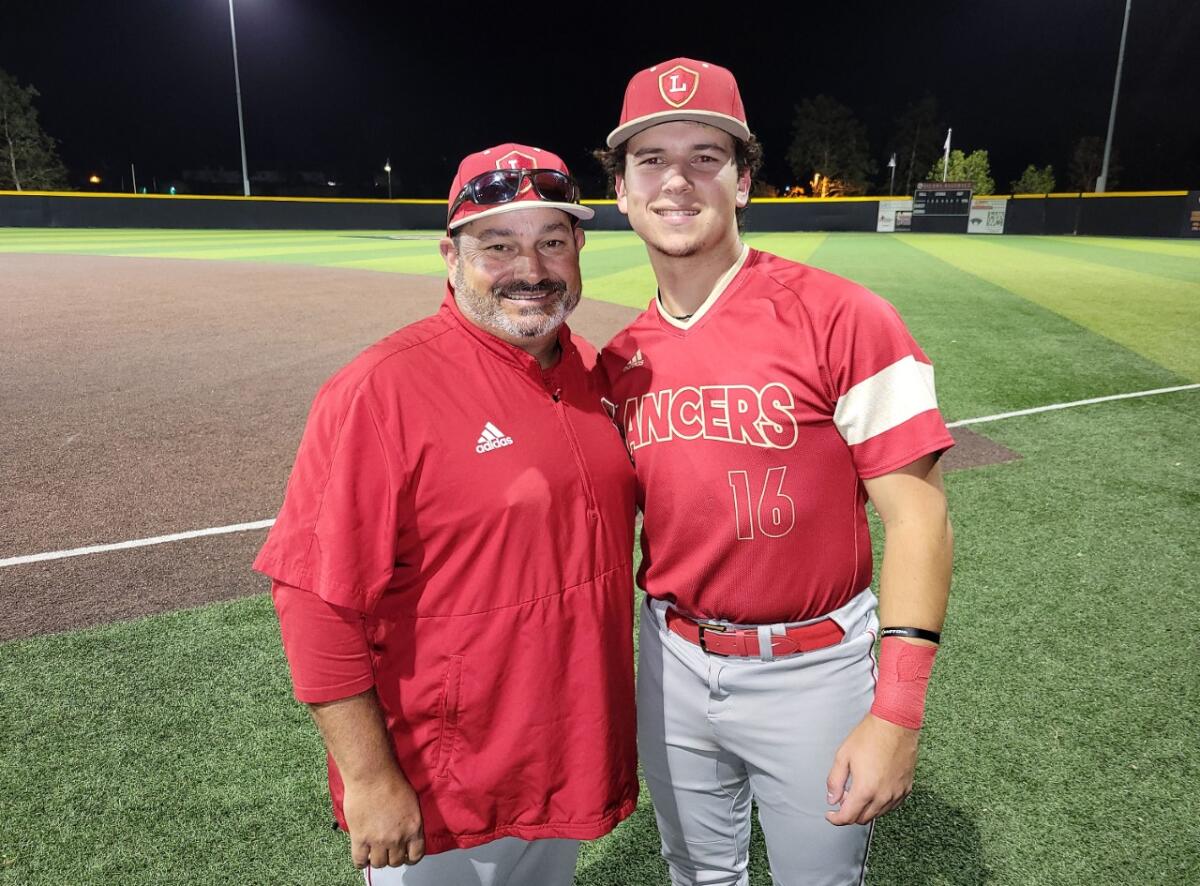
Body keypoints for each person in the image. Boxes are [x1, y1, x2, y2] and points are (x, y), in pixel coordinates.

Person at [596, 58, 955, 886]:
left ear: (744, 179)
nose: (675, 181)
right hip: (673, 661)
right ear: (620, 189)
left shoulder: (844, 316)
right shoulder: (619, 362)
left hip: (814, 669)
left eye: (704, 158)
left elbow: (919, 518)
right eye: (650, 159)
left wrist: (897, 712)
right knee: (696, 874)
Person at [254, 143, 638, 886]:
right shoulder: (381, 390)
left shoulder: (594, 373)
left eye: (552, 241)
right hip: (441, 787)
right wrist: (368, 780)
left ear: (580, 249)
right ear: (451, 257)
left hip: (567, 760)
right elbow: (313, 599)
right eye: (498, 245)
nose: (531, 268)